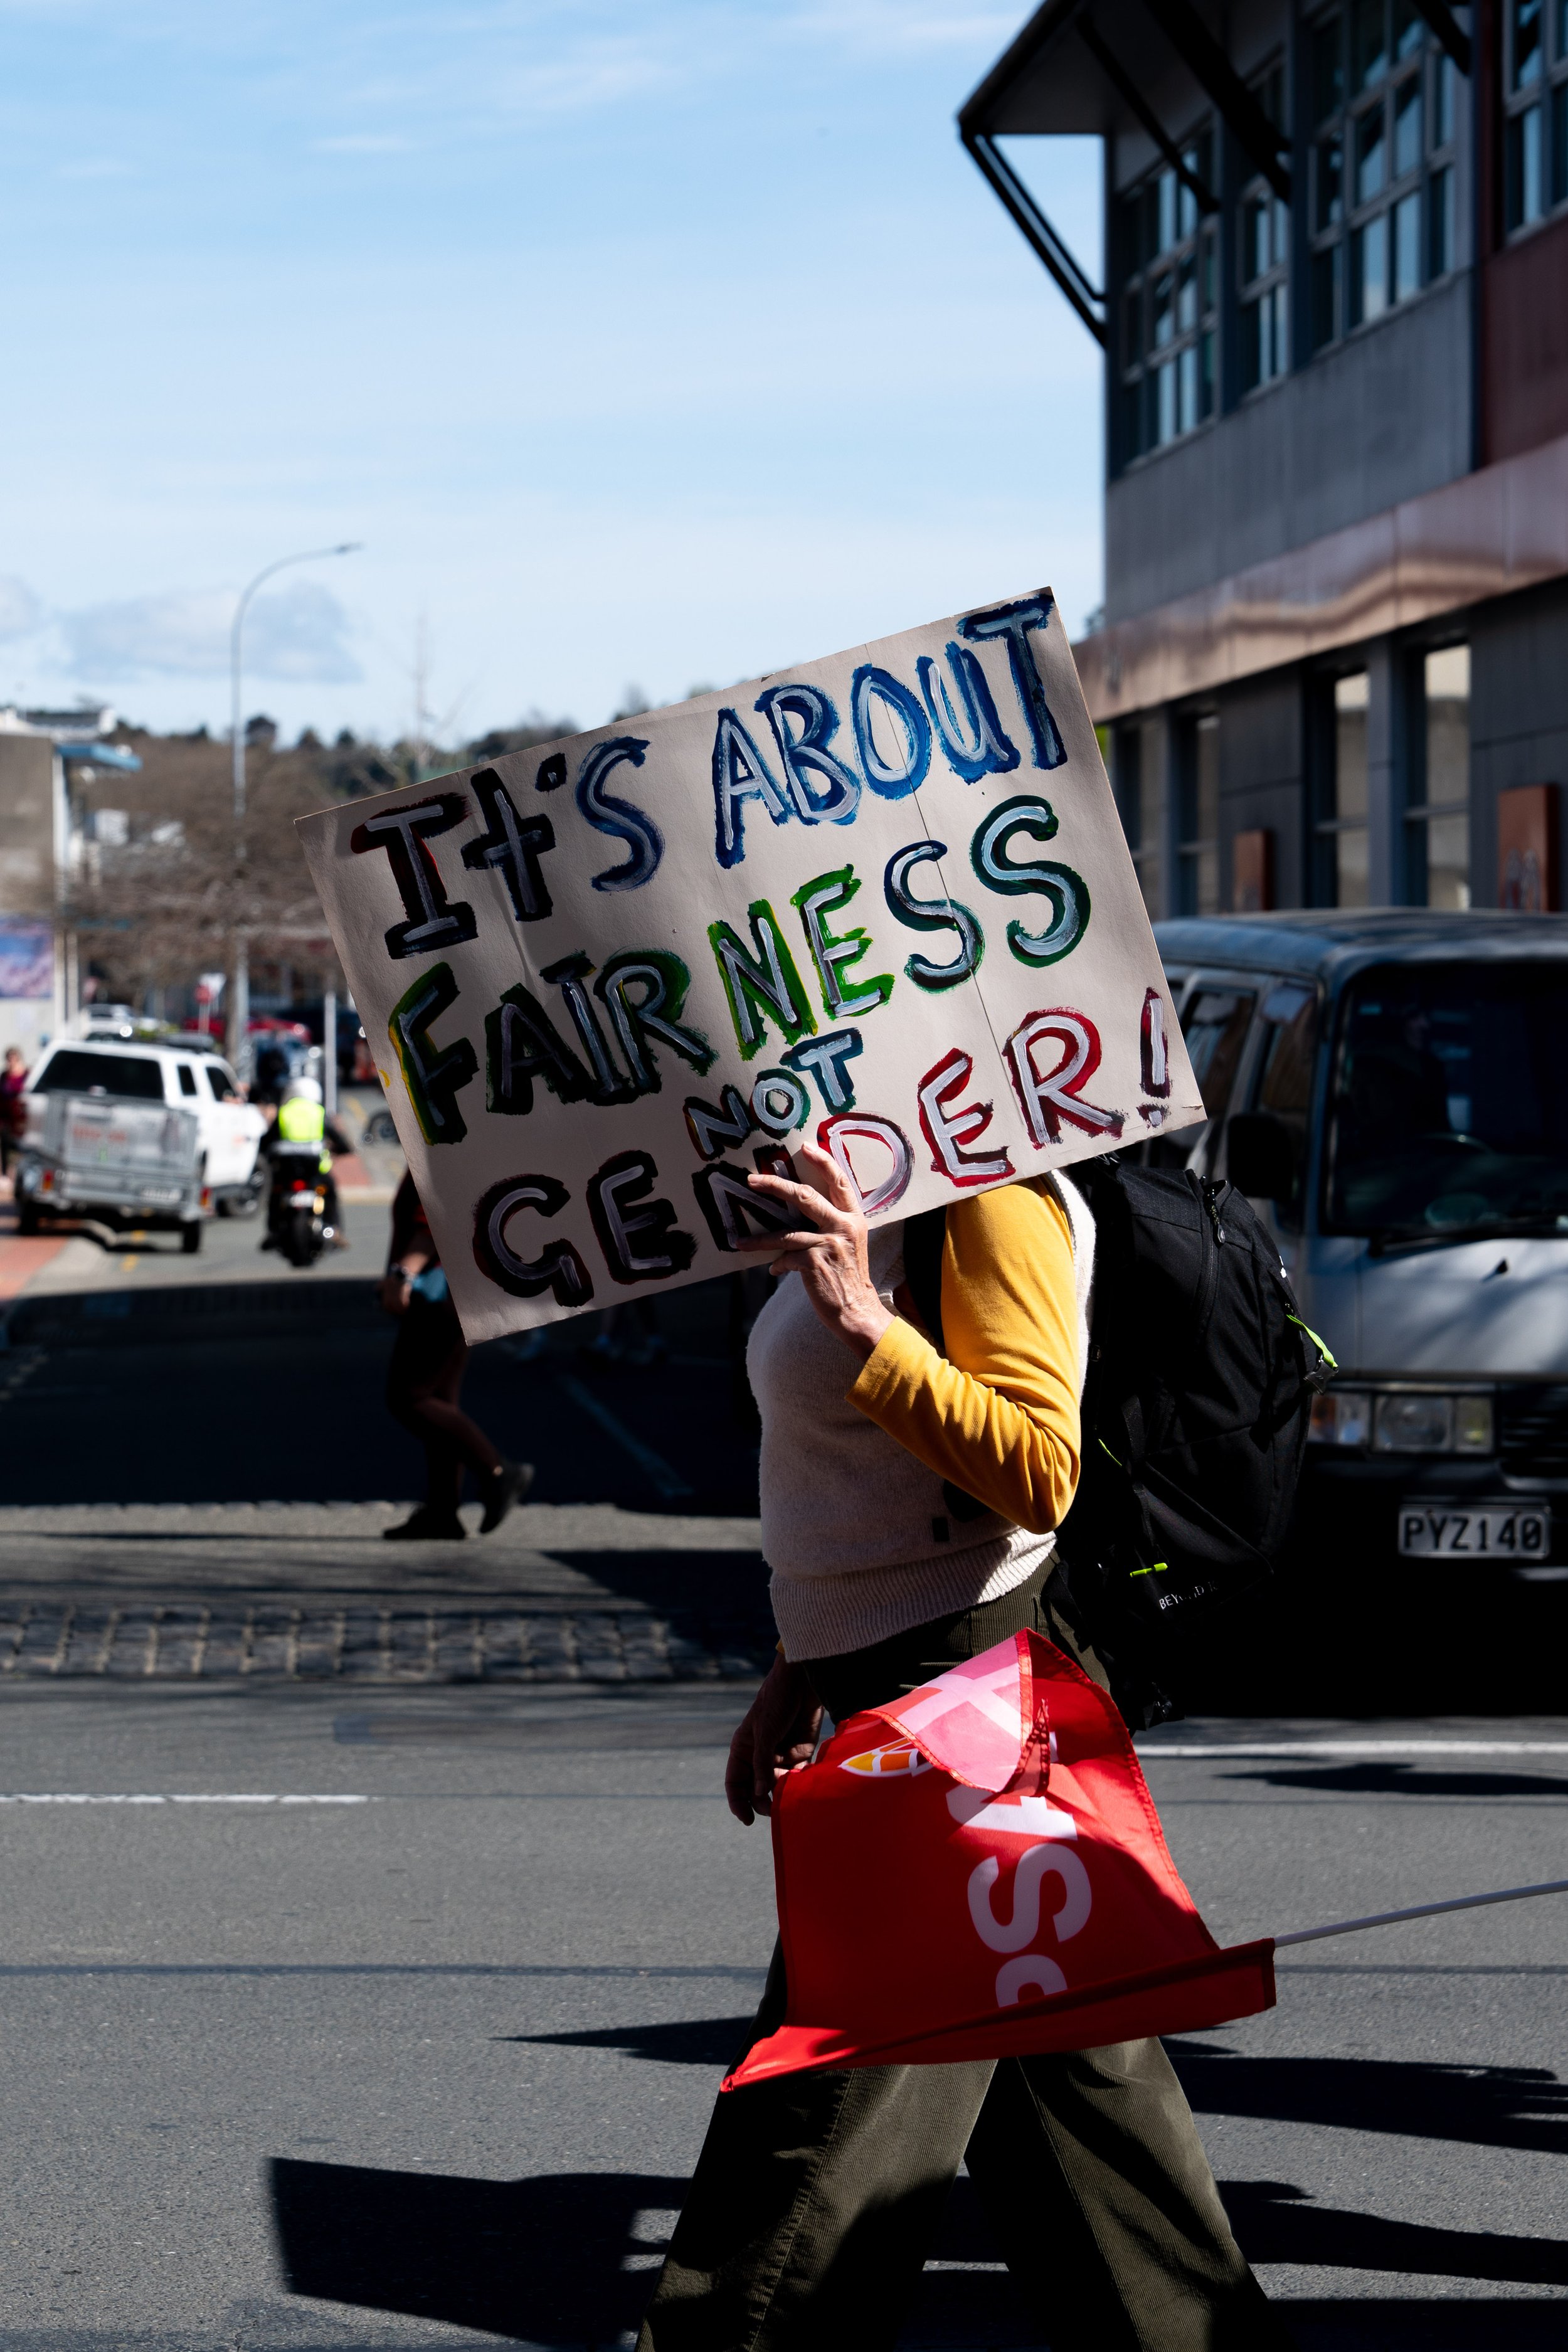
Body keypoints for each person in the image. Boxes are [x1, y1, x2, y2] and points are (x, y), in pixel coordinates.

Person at [636, 1142, 1292, 2352]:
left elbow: (1038, 1471)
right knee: (1096, 2147)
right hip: (904, 1684)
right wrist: (798, 1670)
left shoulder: (994, 1203)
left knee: (817, 2127)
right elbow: (868, 1490)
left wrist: (859, 1317)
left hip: (962, 1704)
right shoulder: (888, 1191)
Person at [380, 1168, 532, 1541]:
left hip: (439, 1292)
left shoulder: (432, 1135)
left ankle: (498, 1471)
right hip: (458, 1287)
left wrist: (403, 1273)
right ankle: (441, 1511)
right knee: (439, 1401)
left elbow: (437, 1212)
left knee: (408, 1397)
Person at [258, 1076, 351, 1248]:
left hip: (286, 1169)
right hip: (314, 1169)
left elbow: (267, 1140)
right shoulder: (319, 1112)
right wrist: (345, 1149)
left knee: (275, 1194)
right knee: (330, 1193)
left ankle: (272, 1231)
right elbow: (338, 1139)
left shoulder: (284, 1112)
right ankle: (334, 1230)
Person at [0, 1046, 28, 1177]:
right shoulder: (4, 1075)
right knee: (5, 1144)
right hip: (6, 1116)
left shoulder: (26, 1074)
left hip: (21, 1116)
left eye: (14, 1058)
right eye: (9, 1058)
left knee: (21, 1146)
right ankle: (5, 1174)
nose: (11, 1061)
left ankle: (19, 1174)